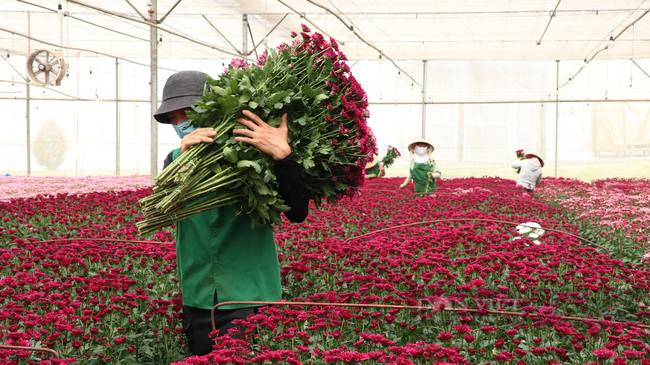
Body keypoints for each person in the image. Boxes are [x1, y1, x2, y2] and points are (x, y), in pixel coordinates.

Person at [153, 70, 310, 356]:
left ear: (213, 111)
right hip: (198, 294)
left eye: (187, 114)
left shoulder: (257, 149)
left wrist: (283, 156)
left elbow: (298, 212)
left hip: (251, 295)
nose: (181, 124)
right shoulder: (173, 160)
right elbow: (165, 210)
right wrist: (183, 163)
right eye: (174, 119)